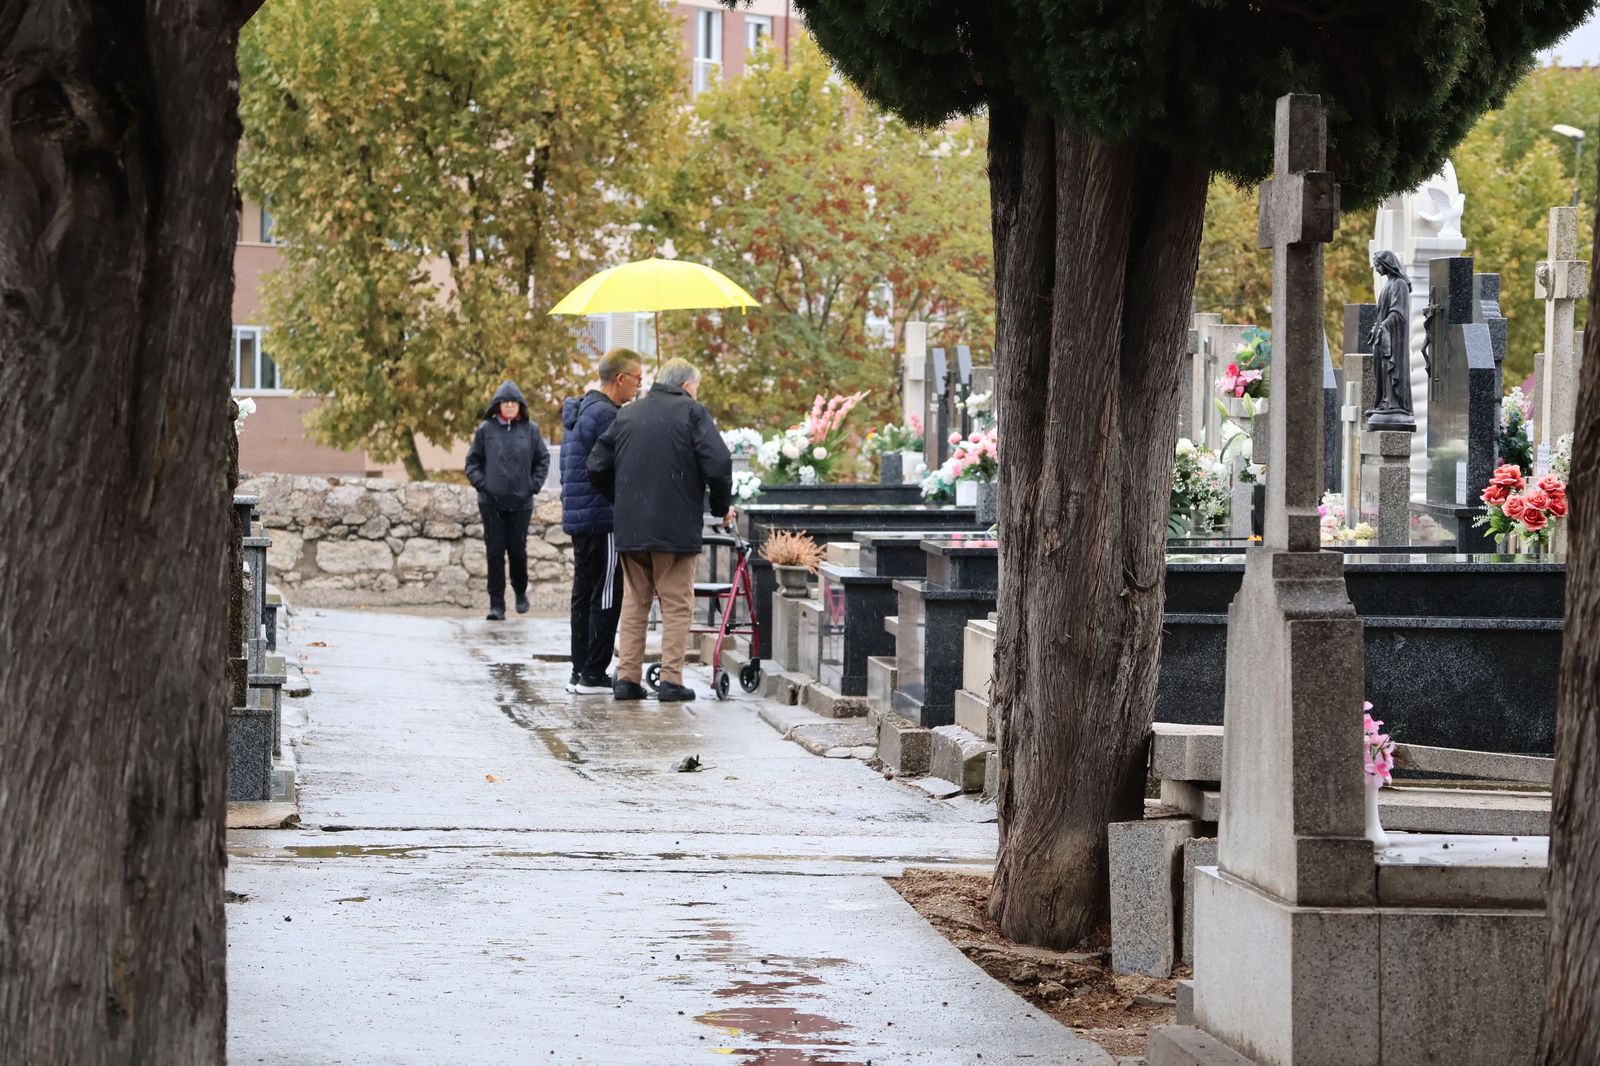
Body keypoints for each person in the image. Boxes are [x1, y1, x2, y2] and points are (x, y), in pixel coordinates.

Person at [587, 359, 733, 703]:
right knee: (677, 604)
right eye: (695, 389)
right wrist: (719, 507)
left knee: (635, 603)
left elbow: (596, 464)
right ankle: (670, 680)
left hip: (631, 528)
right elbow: (719, 462)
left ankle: (627, 678)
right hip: (675, 530)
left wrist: (622, 499)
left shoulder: (627, 414)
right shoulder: (692, 413)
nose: (696, 395)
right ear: (685, 386)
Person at [559, 348, 643, 694]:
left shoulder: (582, 411)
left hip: (579, 515)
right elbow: (620, 467)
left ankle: (580, 669)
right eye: (637, 379)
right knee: (607, 594)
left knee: (583, 593)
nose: (639, 387)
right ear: (620, 379)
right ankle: (594, 672)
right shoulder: (607, 415)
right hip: (602, 516)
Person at [464, 380, 550, 620]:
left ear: (520, 406)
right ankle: (496, 604)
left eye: (514, 403)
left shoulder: (531, 430)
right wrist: (484, 484)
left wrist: (532, 486)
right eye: (505, 403)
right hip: (491, 502)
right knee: (494, 552)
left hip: (521, 502)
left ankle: (520, 592)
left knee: (517, 551)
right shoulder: (485, 430)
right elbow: (472, 462)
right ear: (498, 406)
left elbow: (542, 460)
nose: (510, 406)